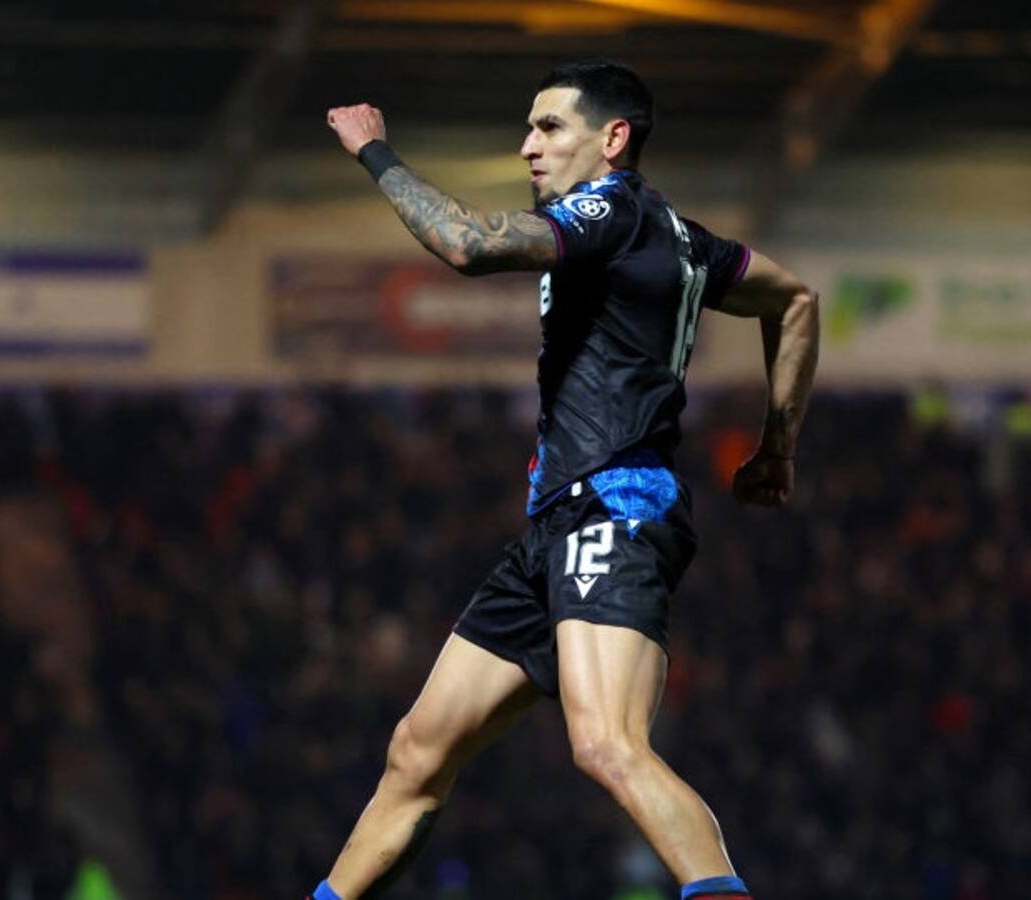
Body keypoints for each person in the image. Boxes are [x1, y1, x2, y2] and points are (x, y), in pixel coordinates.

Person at [318, 60, 819, 900]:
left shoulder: (612, 211)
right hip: (556, 526)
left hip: (615, 507)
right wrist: (779, 448)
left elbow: (469, 243)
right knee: (417, 752)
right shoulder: (682, 238)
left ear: (613, 139)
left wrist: (376, 152)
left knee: (608, 746)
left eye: (549, 127)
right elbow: (794, 300)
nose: (528, 146)